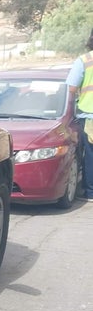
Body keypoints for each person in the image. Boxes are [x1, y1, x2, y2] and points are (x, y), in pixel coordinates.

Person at [66, 28, 93, 201]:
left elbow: (72, 88)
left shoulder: (84, 60)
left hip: (90, 115)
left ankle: (90, 191)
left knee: (90, 155)